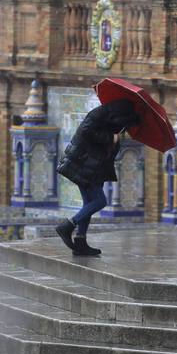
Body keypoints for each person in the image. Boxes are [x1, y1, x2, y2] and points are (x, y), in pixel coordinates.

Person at [55, 97, 141, 257]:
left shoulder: (111, 120)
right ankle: (68, 225)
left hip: (94, 167)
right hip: (83, 164)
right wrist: (111, 138)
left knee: (88, 203)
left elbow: (106, 148)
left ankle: (80, 242)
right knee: (100, 201)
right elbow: (86, 131)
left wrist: (115, 138)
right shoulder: (98, 115)